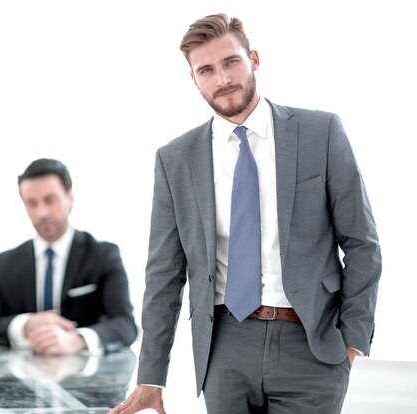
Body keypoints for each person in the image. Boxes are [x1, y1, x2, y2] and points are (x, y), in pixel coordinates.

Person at [110, 13, 381, 414]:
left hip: (312, 346)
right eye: (206, 69)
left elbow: (362, 244)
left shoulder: (319, 132)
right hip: (225, 349)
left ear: (253, 58)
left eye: (230, 62)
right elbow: (163, 274)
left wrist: (352, 341)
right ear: (194, 79)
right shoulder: (175, 160)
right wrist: (151, 376)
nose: (222, 79)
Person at [0, 158, 137, 356]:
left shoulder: (102, 255)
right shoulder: (5, 264)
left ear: (70, 198)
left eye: (50, 200)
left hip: (87, 381)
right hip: (21, 381)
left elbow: (125, 325)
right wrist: (24, 324)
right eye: (32, 203)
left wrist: (77, 339)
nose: (41, 212)